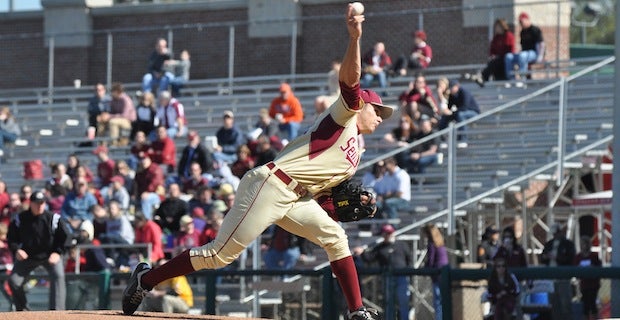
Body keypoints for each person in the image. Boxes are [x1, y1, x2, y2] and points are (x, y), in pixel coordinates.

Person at [121, 6, 391, 319]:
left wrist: (330, 203)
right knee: (219, 255)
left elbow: (322, 192)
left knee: (336, 238)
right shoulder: (345, 117)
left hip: (296, 197)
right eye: (378, 110)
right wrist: (355, 39)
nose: (381, 117)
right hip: (270, 184)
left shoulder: (355, 156)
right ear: (361, 107)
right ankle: (146, 279)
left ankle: (357, 311)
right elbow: (350, 79)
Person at [7, 191, 71, 311]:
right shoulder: (20, 219)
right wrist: (17, 250)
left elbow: (66, 237)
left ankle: (57, 312)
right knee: (14, 280)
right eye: (36, 203)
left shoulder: (53, 218)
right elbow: (11, 238)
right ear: (30, 203)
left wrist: (58, 252)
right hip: (28, 256)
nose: (39, 206)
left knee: (58, 275)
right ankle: (23, 311)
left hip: (49, 255)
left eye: (42, 203)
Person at [353, 224, 412, 320]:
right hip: (387, 279)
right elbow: (369, 258)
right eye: (386, 233)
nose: (388, 235)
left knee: (403, 301)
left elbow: (409, 260)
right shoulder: (380, 247)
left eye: (390, 233)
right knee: (389, 302)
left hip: (401, 277)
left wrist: (409, 273)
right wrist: (362, 252)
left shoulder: (402, 245)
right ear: (383, 235)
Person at [541, 223, 575, 320]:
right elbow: (543, 257)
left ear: (560, 232)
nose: (554, 236)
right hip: (551, 279)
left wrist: (557, 257)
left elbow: (570, 259)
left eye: (556, 233)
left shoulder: (568, 244)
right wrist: (546, 257)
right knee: (553, 304)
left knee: (565, 304)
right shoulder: (549, 244)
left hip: (563, 279)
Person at [472, 19, 515, 86]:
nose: (496, 29)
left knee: (494, 63)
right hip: (497, 61)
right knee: (493, 62)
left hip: (506, 60)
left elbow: (510, 50)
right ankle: (487, 79)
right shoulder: (496, 38)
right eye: (495, 27)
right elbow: (492, 50)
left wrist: (499, 56)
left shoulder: (508, 36)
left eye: (498, 27)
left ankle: (483, 77)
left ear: (502, 26)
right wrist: (493, 55)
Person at [504, 12, 544, 80]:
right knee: (508, 57)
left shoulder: (535, 29)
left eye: (522, 21)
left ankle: (522, 79)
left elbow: (541, 44)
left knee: (522, 56)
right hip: (524, 54)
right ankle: (511, 79)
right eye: (520, 22)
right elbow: (522, 46)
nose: (521, 23)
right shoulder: (522, 32)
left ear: (527, 19)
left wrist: (540, 56)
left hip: (534, 53)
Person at [423, 223, 448, 320]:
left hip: (437, 274)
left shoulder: (432, 244)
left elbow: (431, 260)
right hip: (444, 273)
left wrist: (426, 269)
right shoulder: (440, 242)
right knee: (443, 300)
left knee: (438, 301)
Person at [574, 235, 601, 320]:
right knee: (585, 305)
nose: (583, 246)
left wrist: (592, 267)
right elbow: (575, 268)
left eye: (584, 244)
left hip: (593, 284)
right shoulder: (578, 257)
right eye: (581, 244)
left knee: (592, 303)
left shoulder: (594, 256)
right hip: (584, 284)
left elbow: (599, 268)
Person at [133, 152, 164, 220]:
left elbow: (156, 182)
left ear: (149, 159)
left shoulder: (155, 168)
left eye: (144, 159)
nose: (143, 161)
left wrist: (147, 192)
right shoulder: (140, 171)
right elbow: (136, 185)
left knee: (146, 199)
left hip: (156, 195)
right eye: (141, 159)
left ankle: (146, 221)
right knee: (133, 201)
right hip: (141, 196)